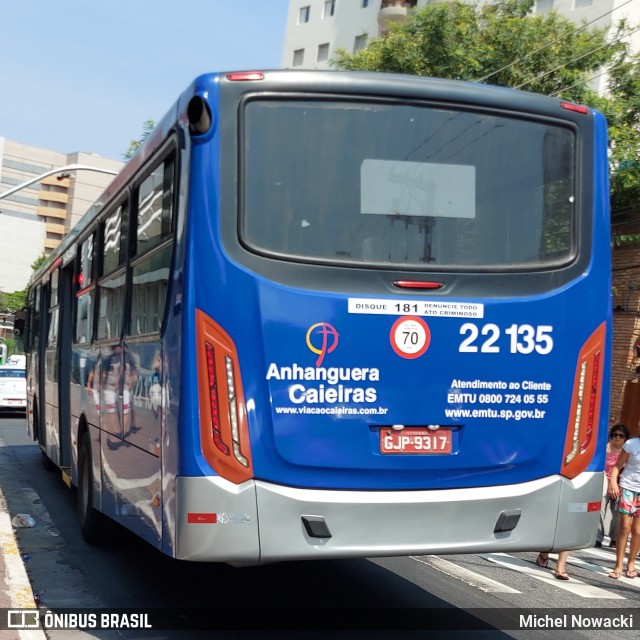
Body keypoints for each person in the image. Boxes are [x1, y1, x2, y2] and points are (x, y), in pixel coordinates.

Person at [607, 431, 640, 579]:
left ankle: (631, 563)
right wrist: (613, 482)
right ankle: (618, 565)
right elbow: (617, 466)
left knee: (638, 531)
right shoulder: (631, 444)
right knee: (625, 527)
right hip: (628, 487)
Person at [595, 424, 630, 548]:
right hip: (603, 477)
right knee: (601, 503)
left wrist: (617, 484)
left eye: (621, 436)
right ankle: (598, 536)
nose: (617, 438)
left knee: (619, 509)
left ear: (625, 439)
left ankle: (615, 538)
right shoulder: (605, 449)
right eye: (615, 435)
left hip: (620, 480)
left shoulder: (627, 452)